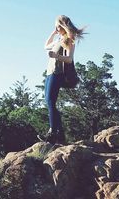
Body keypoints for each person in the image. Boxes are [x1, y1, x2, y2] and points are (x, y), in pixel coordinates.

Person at [38, 15, 86, 144]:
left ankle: (53, 132)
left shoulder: (68, 39)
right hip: (49, 73)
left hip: (58, 73)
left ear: (63, 26)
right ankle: (60, 135)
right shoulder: (59, 39)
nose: (56, 29)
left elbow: (69, 59)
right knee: (49, 102)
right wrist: (53, 33)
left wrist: (56, 56)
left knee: (50, 101)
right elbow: (45, 46)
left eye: (57, 26)